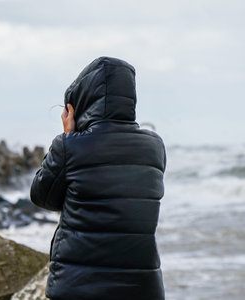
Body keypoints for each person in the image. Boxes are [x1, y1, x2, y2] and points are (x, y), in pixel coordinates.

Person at [30, 56, 166, 300]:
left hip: (78, 287)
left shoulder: (69, 146)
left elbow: (42, 197)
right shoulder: (154, 146)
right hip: (142, 288)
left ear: (80, 103)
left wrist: (67, 136)